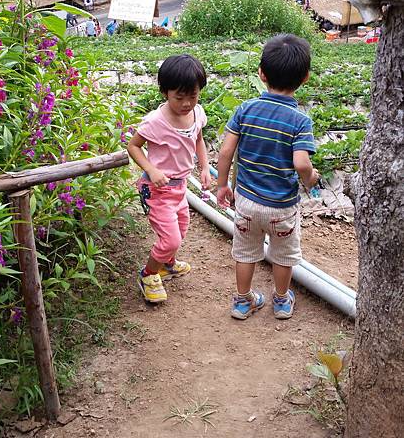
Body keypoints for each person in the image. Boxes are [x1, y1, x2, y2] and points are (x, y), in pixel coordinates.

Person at [217, 34, 319, 321]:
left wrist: (222, 184)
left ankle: (242, 301)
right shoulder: (300, 121)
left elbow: (225, 152)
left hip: (246, 202)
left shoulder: (245, 109)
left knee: (246, 251)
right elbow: (301, 164)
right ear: (306, 77)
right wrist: (311, 178)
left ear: (261, 74)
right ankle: (282, 300)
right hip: (281, 206)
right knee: (283, 255)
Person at [128, 55, 211, 303]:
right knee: (170, 237)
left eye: (193, 96)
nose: (187, 103)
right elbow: (133, 146)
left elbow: (198, 139)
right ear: (165, 92)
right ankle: (148, 274)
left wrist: (205, 167)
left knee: (181, 229)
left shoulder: (196, 113)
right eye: (179, 97)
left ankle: (167, 263)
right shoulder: (156, 121)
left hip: (180, 187)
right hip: (157, 190)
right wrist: (151, 169)